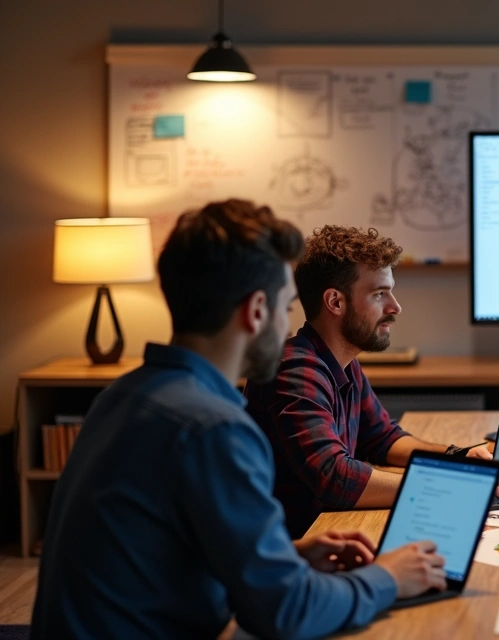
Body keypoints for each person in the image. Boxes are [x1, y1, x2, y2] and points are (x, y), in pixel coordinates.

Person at [31, 201, 447, 639]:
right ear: (256, 311)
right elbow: (288, 613)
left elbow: (159, 553)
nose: (289, 326)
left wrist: (287, 555)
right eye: (286, 307)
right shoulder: (213, 428)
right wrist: (388, 577)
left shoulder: (122, 395)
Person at [243, 225, 499, 539]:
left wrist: (457, 459)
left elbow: (383, 439)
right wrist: (447, 485)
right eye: (379, 294)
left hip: (326, 534)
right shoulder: (295, 370)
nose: (395, 307)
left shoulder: (342, 362)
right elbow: (335, 478)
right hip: (292, 549)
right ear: (335, 302)